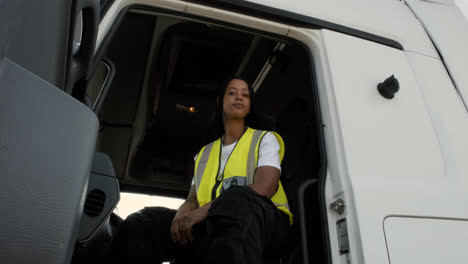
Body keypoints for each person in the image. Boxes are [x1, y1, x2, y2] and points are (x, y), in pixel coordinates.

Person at [111, 77, 293, 264]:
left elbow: (266, 187)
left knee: (239, 198)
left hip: (266, 225)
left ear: (250, 104)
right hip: (214, 225)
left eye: (245, 95)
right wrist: (182, 213)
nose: (239, 98)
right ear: (220, 101)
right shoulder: (204, 154)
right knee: (144, 222)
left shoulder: (265, 139)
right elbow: (192, 199)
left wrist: (207, 210)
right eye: (232, 93)